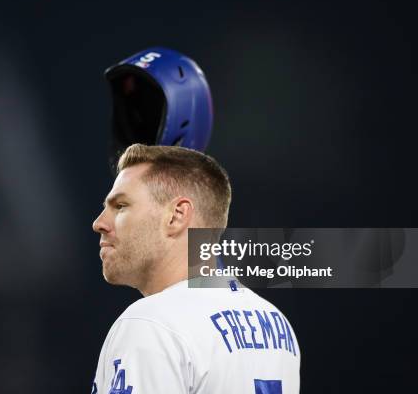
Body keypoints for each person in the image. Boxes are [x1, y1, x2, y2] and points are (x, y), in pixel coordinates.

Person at [91, 144, 300, 393]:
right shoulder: (276, 323)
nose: (99, 223)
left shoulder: (152, 322)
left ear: (177, 216)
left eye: (121, 206)